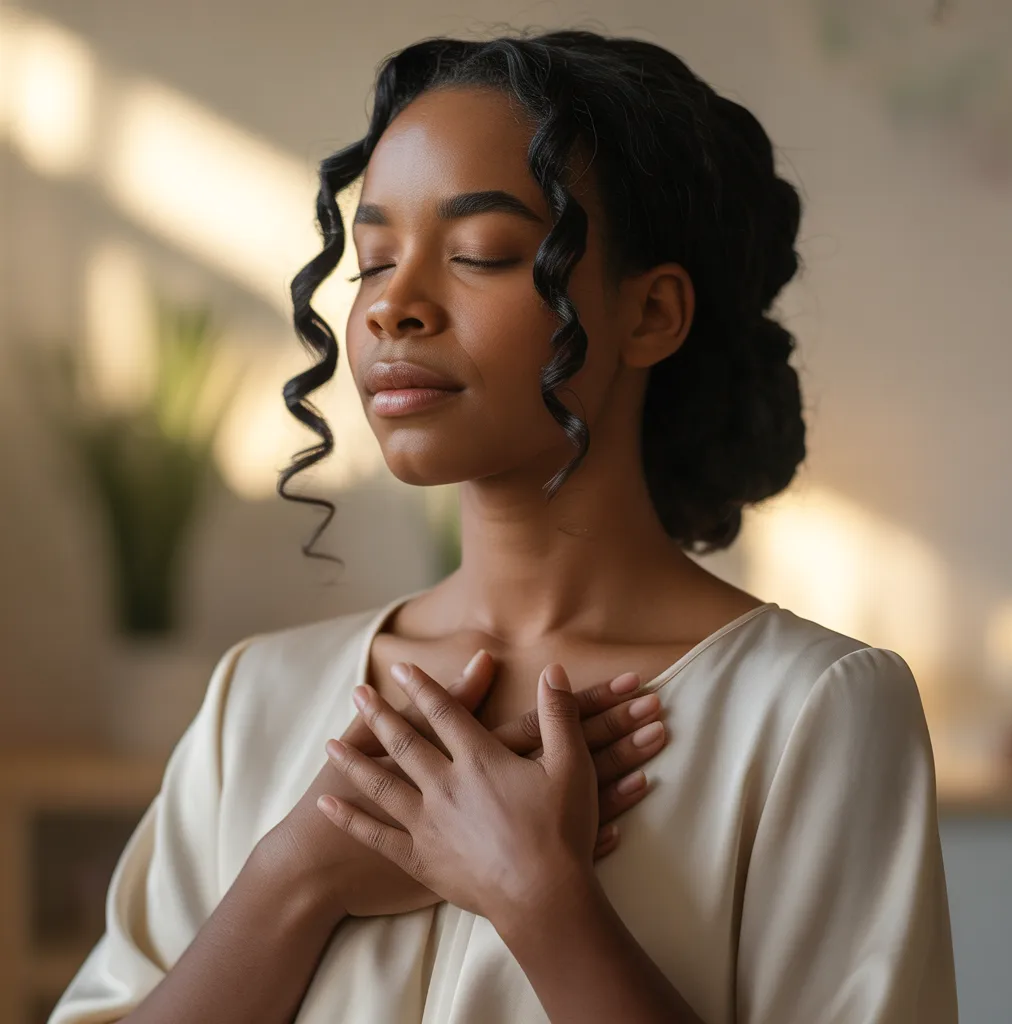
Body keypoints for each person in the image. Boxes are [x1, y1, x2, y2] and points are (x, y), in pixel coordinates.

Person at [49, 26, 958, 1024]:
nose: (395, 304)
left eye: (481, 253)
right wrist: (295, 876)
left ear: (650, 313)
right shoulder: (255, 702)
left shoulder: (809, 712)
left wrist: (541, 895)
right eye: (372, 259)